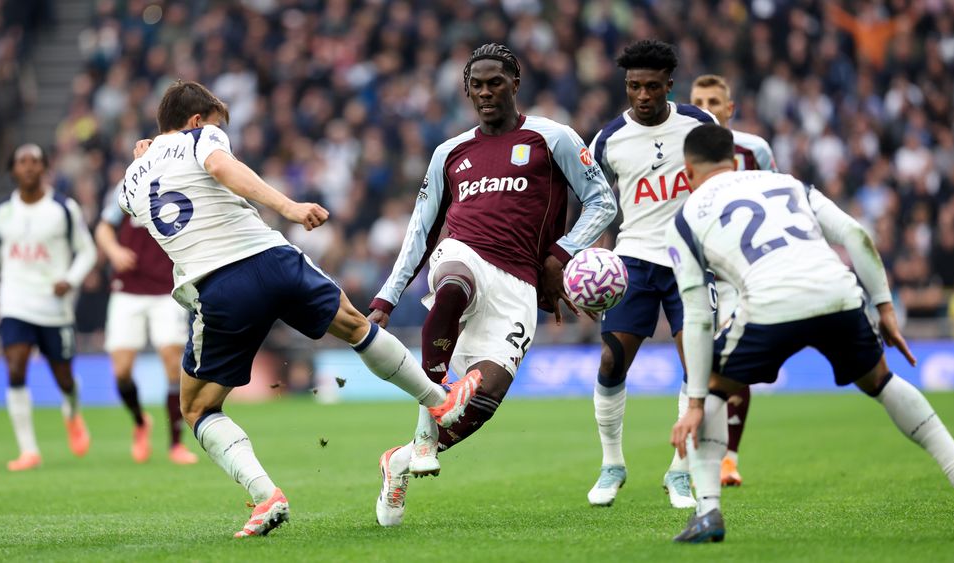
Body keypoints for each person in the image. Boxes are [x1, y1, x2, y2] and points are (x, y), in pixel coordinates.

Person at [121, 80, 482, 538]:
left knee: (196, 408)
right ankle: (440, 400)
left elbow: (138, 203)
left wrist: (142, 158)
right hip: (273, 260)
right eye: (214, 123)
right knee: (354, 325)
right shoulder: (201, 138)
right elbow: (220, 167)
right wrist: (288, 207)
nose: (218, 132)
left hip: (218, 286)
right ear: (195, 121)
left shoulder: (131, 179)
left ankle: (265, 495)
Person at [667, 124, 954, 543]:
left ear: (688, 172)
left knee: (714, 389)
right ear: (734, 162)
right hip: (836, 291)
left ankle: (708, 513)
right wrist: (885, 307)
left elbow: (696, 314)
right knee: (880, 380)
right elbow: (855, 235)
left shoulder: (687, 216)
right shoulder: (787, 183)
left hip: (770, 303)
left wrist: (694, 402)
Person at [367, 43, 616, 527]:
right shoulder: (449, 153)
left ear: (515, 84)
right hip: (463, 254)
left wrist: (560, 255)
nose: (485, 92)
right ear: (466, 90)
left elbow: (601, 202)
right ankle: (423, 436)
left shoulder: (553, 137)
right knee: (453, 284)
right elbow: (420, 231)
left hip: (518, 286)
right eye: (476, 85)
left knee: (478, 406)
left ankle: (397, 459)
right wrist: (386, 297)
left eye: (495, 82)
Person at [585, 39, 715, 509]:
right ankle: (612, 464)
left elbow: (720, 185)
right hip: (633, 260)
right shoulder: (606, 140)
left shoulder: (701, 125)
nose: (642, 95)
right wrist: (585, 255)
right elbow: (593, 202)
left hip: (690, 260)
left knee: (695, 365)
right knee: (610, 362)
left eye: (652, 87)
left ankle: (680, 472)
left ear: (669, 86)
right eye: (634, 86)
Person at [0, 143, 97, 471]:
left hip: (55, 306)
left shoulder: (63, 209)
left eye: (35, 161)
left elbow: (88, 251)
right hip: (15, 302)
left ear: (44, 168)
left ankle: (72, 411)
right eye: (22, 161)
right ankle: (28, 450)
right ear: (12, 170)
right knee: (15, 367)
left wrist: (70, 278)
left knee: (64, 378)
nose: (28, 167)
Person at [689, 73, 779, 486]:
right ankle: (698, 452)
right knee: (697, 362)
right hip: (696, 269)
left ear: (730, 108)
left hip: (740, 274)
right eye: (697, 99)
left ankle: (727, 457)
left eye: (713, 100)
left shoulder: (753, 149)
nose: (705, 106)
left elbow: (775, 202)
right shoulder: (677, 148)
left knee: (733, 356)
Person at [95, 187, 199, 465]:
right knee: (121, 372)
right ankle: (141, 421)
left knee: (170, 361)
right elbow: (104, 227)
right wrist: (114, 250)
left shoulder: (180, 183)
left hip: (166, 289)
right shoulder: (130, 185)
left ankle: (176, 444)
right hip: (127, 288)